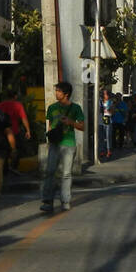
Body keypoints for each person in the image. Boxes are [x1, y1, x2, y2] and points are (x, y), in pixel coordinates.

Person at [41, 80, 85, 214]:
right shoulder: (52, 108)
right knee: (50, 171)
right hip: (54, 144)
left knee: (66, 174)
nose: (56, 93)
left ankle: (65, 200)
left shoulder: (76, 108)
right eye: (56, 90)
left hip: (68, 144)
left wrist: (70, 122)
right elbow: (50, 125)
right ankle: (47, 200)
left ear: (66, 94)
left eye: (59, 91)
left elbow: (82, 126)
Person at [0, 87, 30, 170]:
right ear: (15, 96)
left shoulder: (1, 105)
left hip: (2, 132)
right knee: (17, 149)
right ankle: (14, 166)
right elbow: (24, 118)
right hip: (14, 131)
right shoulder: (18, 105)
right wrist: (28, 130)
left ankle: (4, 168)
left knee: (4, 151)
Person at [99, 88, 115, 160]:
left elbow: (112, 112)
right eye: (105, 94)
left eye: (107, 94)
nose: (106, 95)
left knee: (108, 136)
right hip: (100, 120)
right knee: (101, 136)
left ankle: (109, 150)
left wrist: (109, 110)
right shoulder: (100, 102)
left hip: (108, 119)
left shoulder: (111, 102)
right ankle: (102, 150)